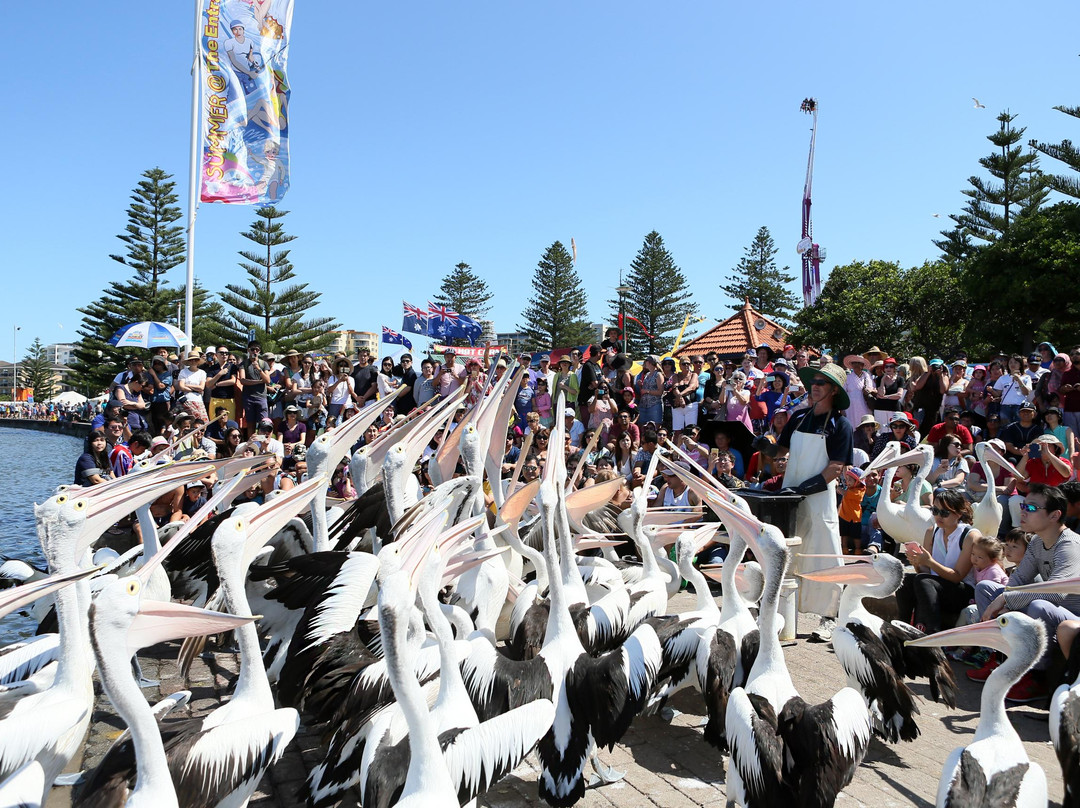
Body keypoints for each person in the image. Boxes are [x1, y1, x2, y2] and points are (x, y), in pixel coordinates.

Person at [972, 484, 1080, 701]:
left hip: (1072, 616)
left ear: (1054, 515)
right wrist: (1004, 598)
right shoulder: (1038, 541)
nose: (1023, 512)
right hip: (1052, 608)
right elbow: (1019, 579)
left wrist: (1007, 599)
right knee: (986, 589)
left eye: (1031, 508)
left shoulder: (1070, 545)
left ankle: (1037, 677)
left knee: (1038, 605)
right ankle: (1000, 658)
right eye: (1023, 505)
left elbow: (1056, 594)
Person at [775, 362, 854, 641]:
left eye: (822, 382)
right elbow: (780, 451)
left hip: (819, 499)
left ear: (834, 390)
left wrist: (803, 490)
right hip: (789, 497)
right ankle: (781, 614)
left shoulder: (841, 425)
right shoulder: (798, 417)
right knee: (788, 553)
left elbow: (835, 468)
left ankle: (829, 617)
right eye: (814, 381)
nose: (815, 386)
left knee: (824, 554)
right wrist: (763, 446)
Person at [895, 489, 979, 635]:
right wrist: (917, 563)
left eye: (944, 513)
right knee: (906, 580)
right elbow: (925, 572)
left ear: (959, 514)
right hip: (935, 585)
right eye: (935, 511)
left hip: (963, 590)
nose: (938, 516)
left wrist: (929, 562)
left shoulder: (970, 536)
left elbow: (957, 576)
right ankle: (903, 626)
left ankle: (933, 631)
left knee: (924, 581)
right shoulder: (932, 532)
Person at [237, 341, 272, 435]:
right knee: (250, 424)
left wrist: (258, 369)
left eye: (257, 349)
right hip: (248, 397)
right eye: (252, 349)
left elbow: (267, 380)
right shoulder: (243, 364)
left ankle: (262, 442)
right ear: (248, 350)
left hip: (261, 397)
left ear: (259, 351)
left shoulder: (263, 364)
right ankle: (251, 442)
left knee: (263, 423)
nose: (255, 351)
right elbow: (243, 380)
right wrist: (259, 381)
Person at [990, 354, 1032, 426]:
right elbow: (998, 394)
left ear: (1020, 364)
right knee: (1005, 427)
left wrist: (1019, 380)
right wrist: (991, 391)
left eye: (1015, 362)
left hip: (1019, 406)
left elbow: (1026, 392)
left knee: (1019, 426)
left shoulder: (1026, 377)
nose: (1013, 364)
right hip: (1005, 406)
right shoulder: (1003, 378)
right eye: (1010, 362)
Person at [871, 357, 906, 429]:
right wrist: (883, 380)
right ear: (884, 369)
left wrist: (885, 397)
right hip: (880, 409)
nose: (888, 368)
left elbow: (899, 395)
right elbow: (881, 394)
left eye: (891, 366)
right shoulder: (879, 379)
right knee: (880, 430)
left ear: (894, 368)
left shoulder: (900, 379)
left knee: (893, 429)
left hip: (894, 409)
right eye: (886, 366)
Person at [842, 354, 875, 426]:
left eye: (859, 363)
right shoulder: (847, 378)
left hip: (865, 407)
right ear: (851, 365)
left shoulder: (868, 377)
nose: (856, 365)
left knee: (865, 426)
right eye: (854, 363)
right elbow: (842, 394)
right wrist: (842, 410)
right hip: (851, 409)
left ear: (862, 365)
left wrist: (870, 390)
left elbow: (874, 389)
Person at [636, 356, 664, 428]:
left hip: (654, 405)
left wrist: (647, 391)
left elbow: (660, 391)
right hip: (643, 405)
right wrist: (641, 385)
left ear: (649, 362)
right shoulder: (647, 374)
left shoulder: (658, 375)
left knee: (655, 426)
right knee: (642, 426)